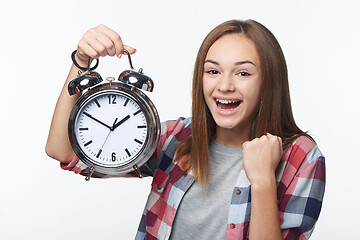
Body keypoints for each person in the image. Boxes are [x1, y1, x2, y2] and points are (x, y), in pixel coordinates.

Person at [46, 19, 325, 240]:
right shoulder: (175, 138)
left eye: (243, 73)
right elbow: (61, 149)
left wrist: (263, 181)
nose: (225, 85)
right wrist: (81, 61)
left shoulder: (302, 158)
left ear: (268, 81)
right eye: (213, 71)